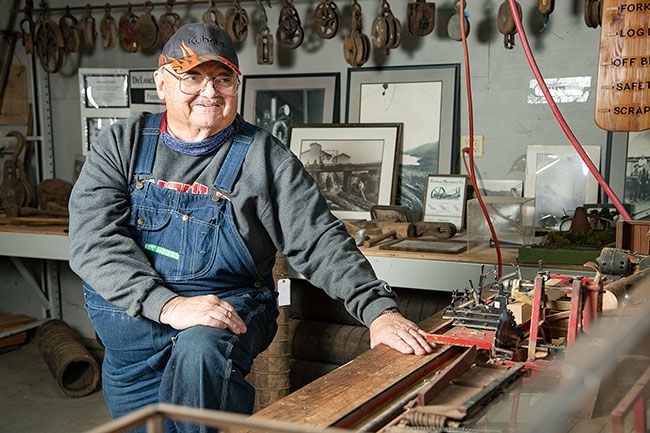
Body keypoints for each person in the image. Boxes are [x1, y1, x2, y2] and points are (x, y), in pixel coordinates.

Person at [68, 23, 434, 433]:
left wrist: (378, 311)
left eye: (223, 79)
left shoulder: (264, 158)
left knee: (201, 349)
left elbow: (318, 239)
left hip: (222, 315)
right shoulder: (122, 144)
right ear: (161, 83)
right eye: (192, 77)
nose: (210, 92)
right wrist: (168, 306)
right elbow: (93, 242)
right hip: (135, 338)